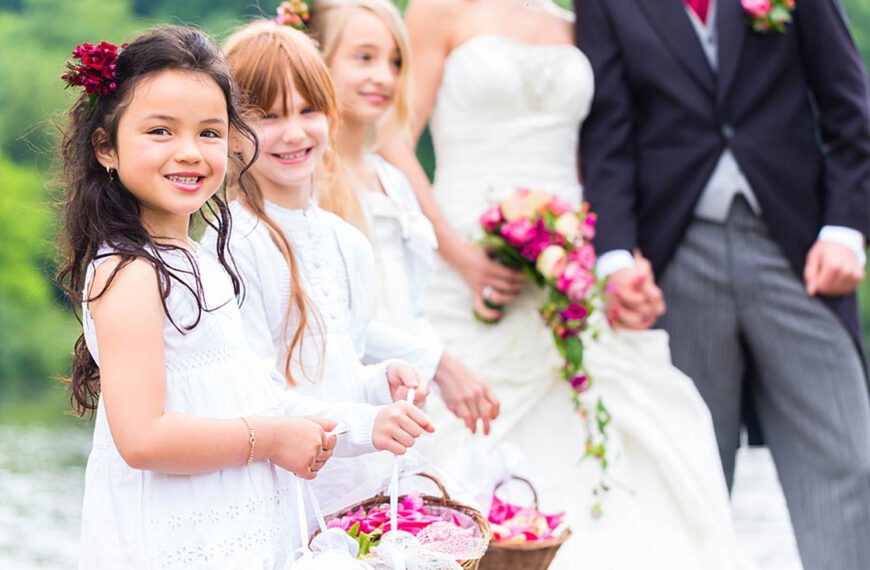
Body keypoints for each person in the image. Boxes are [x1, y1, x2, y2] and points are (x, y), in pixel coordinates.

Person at [380, 0, 750, 567]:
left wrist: (620, 263)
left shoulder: (583, 18)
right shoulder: (439, 10)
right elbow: (394, 140)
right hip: (466, 255)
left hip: (573, 258)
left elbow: (603, 157)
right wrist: (460, 256)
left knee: (642, 420)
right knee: (455, 433)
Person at [57, 26, 425, 568]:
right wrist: (271, 440)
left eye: (209, 133)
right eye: (160, 131)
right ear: (106, 147)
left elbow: (257, 399)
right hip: (176, 539)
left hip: (232, 531)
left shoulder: (199, 263)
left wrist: (366, 425)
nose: (189, 152)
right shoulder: (130, 272)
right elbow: (142, 438)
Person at [574, 0, 870, 568]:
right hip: (675, 259)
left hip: (798, 251)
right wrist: (613, 259)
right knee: (691, 474)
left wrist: (846, 230)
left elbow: (847, 103)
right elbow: (607, 135)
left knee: (846, 461)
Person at [205, 20, 434, 515]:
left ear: (332, 114)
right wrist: (366, 424)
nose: (293, 133)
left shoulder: (347, 242)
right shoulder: (232, 243)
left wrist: (381, 384)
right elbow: (254, 397)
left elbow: (341, 369)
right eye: (268, 116)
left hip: (354, 491)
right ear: (230, 132)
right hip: (281, 493)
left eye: (308, 111)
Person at [306, 0, 500, 436]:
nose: (384, 76)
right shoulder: (310, 181)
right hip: (355, 398)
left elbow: (414, 301)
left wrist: (436, 366)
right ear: (317, 60)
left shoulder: (393, 180)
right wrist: (437, 364)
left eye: (395, 62)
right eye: (364, 57)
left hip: (414, 386)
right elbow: (335, 317)